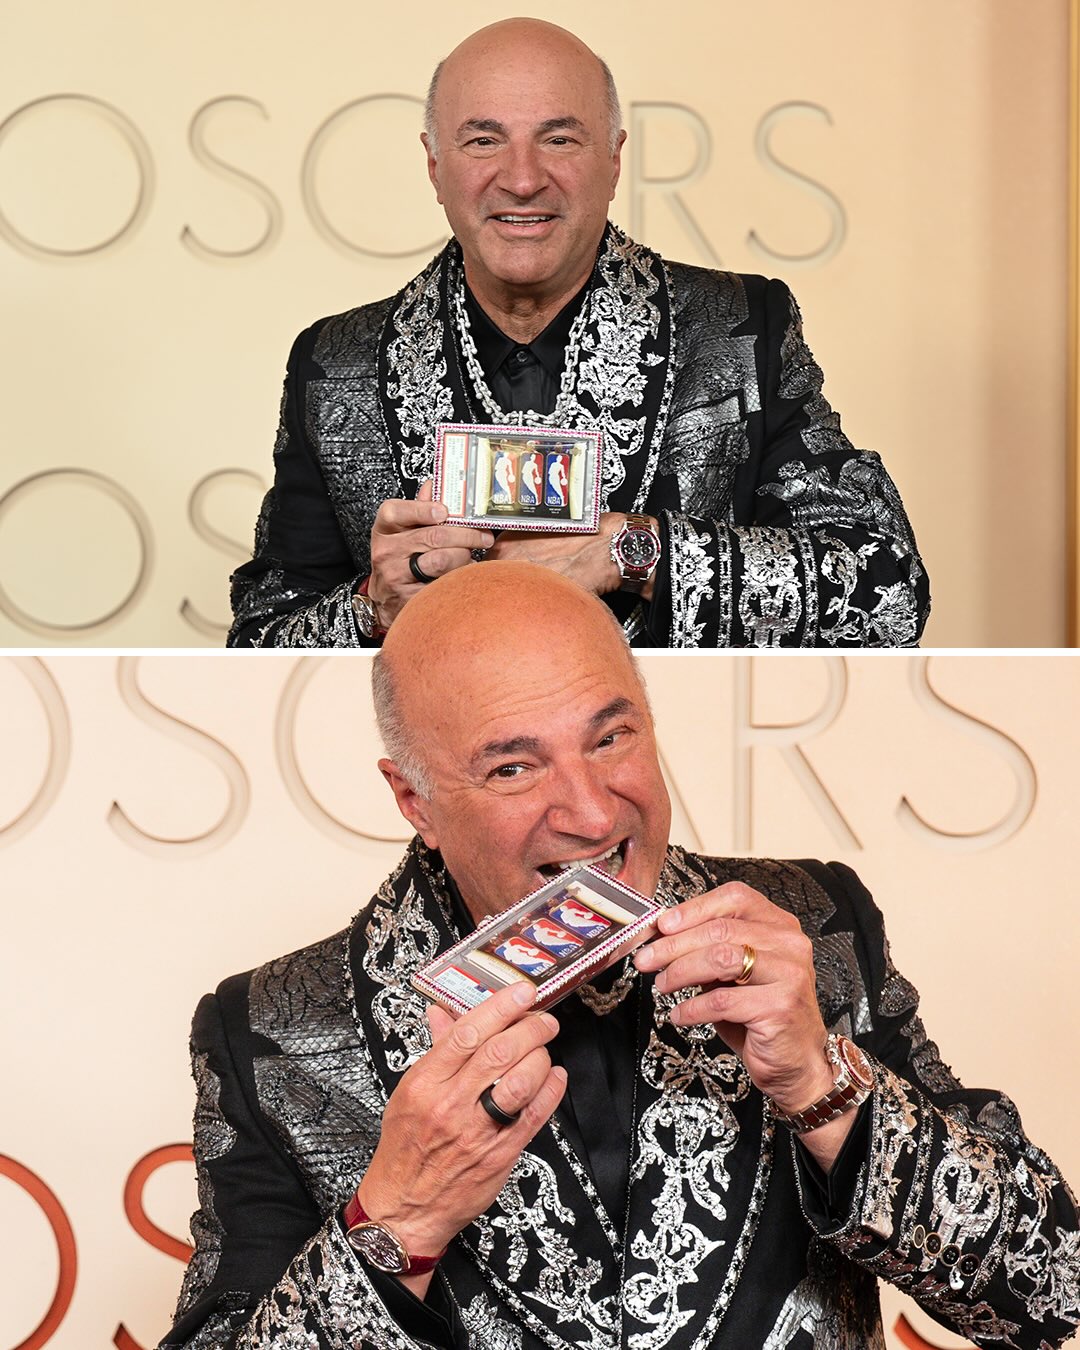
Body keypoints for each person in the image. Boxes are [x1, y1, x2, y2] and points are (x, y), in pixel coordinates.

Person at [164, 563, 1076, 1350]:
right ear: (415, 801)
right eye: (513, 768)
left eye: (612, 737)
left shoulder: (812, 925)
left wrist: (821, 1086)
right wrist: (399, 1221)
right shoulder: (270, 1030)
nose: (595, 814)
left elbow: (1048, 1292)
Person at [227, 18, 930, 650]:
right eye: (483, 140)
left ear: (614, 159)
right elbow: (257, 644)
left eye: (559, 139)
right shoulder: (335, 364)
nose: (522, 179)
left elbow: (887, 593)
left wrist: (635, 551)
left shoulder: (741, 330)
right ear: (435, 165)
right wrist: (372, 609)